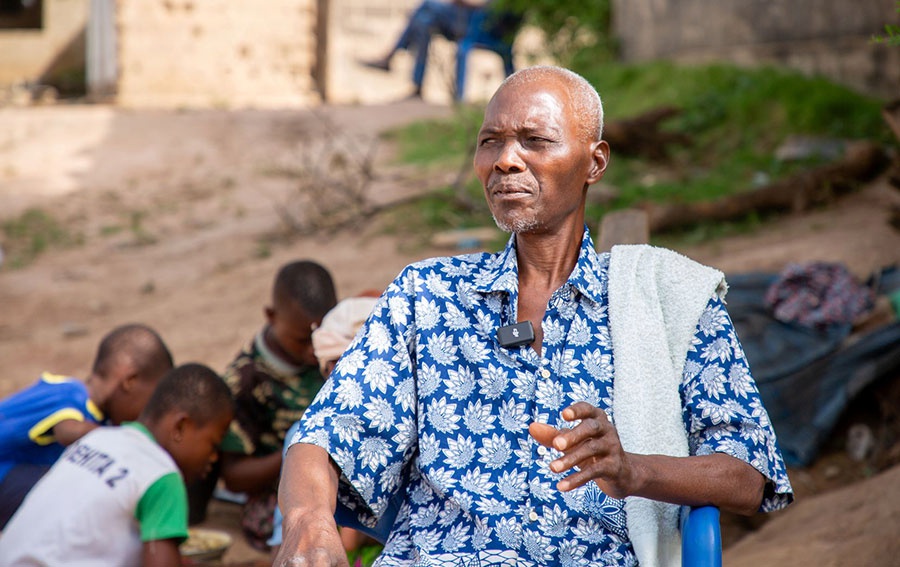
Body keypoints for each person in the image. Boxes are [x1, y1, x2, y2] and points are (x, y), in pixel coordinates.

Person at [274, 66, 794, 567]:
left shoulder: (670, 301)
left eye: (535, 140)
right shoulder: (426, 295)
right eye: (490, 141)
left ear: (594, 162)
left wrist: (631, 469)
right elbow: (322, 436)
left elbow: (747, 474)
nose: (506, 160)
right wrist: (308, 520)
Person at [0, 362, 234, 566]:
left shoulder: (97, 439)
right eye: (213, 444)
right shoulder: (162, 475)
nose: (214, 457)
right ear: (181, 427)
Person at [0, 322, 174, 529]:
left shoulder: (97, 416)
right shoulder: (70, 394)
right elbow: (68, 432)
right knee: (63, 496)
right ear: (130, 381)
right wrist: (126, 439)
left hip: (15, 475)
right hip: (5, 470)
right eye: (150, 402)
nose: (146, 416)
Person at [217, 259, 338, 550]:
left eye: (321, 334)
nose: (313, 349)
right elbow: (233, 476)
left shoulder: (336, 349)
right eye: (302, 340)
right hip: (280, 489)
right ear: (271, 316)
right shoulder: (246, 381)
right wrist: (297, 449)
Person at [267, 295, 382, 563]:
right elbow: (292, 540)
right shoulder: (306, 436)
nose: (336, 377)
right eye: (330, 369)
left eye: (341, 366)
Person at [361, 0, 489, 98]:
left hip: (472, 22)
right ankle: (415, 84)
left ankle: (392, 56)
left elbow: (485, 6)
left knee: (427, 5)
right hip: (460, 17)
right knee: (423, 23)